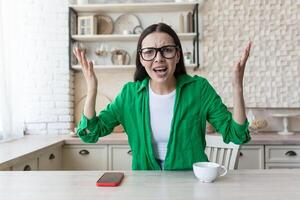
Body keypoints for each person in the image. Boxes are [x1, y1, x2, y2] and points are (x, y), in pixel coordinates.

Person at [74, 23, 252, 170]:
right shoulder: (129, 95)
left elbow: (236, 135)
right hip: (145, 186)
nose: (158, 58)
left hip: (189, 184)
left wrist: (238, 88)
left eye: (166, 50)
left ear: (177, 55)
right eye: (149, 52)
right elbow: (90, 133)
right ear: (142, 59)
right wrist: (91, 90)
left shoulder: (199, 90)